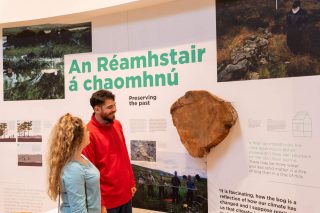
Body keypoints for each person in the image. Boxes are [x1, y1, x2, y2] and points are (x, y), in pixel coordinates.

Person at [82, 90, 136, 213]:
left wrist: (131, 181)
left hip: (126, 195)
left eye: (114, 105)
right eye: (110, 107)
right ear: (97, 109)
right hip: (108, 203)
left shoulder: (117, 125)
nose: (115, 109)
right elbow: (89, 174)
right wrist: (101, 204)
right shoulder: (88, 133)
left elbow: (124, 156)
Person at [47, 113, 101, 213]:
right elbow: (78, 210)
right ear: (78, 137)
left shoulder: (81, 157)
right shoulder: (73, 169)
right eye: (86, 131)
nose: (89, 133)